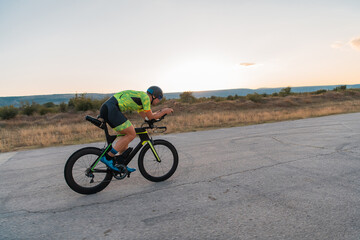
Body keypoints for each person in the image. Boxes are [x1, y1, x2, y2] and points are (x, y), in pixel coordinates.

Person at [99, 86, 173, 172]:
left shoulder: (141, 102)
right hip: (111, 108)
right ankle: (108, 157)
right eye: (160, 98)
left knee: (126, 135)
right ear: (153, 96)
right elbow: (150, 116)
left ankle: (121, 164)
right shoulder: (145, 98)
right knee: (132, 134)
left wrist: (158, 117)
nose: (159, 100)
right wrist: (164, 111)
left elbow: (147, 118)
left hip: (109, 108)